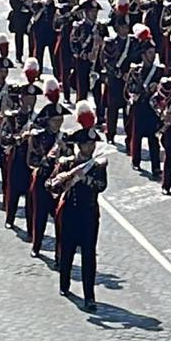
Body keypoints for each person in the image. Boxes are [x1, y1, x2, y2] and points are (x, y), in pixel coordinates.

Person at [49, 101, 108, 311]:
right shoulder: (66, 163)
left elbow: (102, 186)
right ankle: (64, 284)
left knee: (89, 255)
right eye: (86, 145)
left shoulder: (97, 165)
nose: (90, 148)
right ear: (79, 146)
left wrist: (86, 179)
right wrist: (63, 179)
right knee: (67, 251)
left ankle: (89, 296)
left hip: (89, 214)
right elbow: (51, 186)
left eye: (92, 145)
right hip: (69, 212)